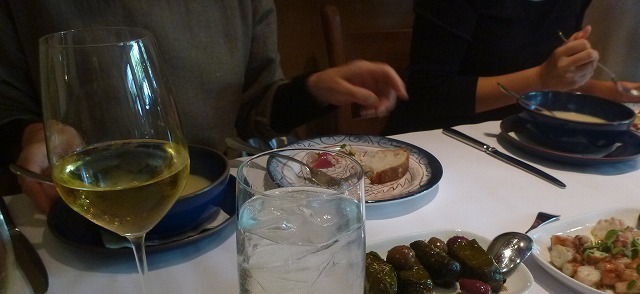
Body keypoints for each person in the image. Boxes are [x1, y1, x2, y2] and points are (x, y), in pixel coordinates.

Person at [0, 0, 407, 214]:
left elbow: (255, 107)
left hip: (212, 204)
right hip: (82, 210)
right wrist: (33, 133)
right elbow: (9, 103)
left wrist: (313, 90)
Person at [385, 0, 640, 135]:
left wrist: (617, 92)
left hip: (522, 133)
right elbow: (428, 93)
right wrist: (541, 78)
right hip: (436, 138)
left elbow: (549, 76)